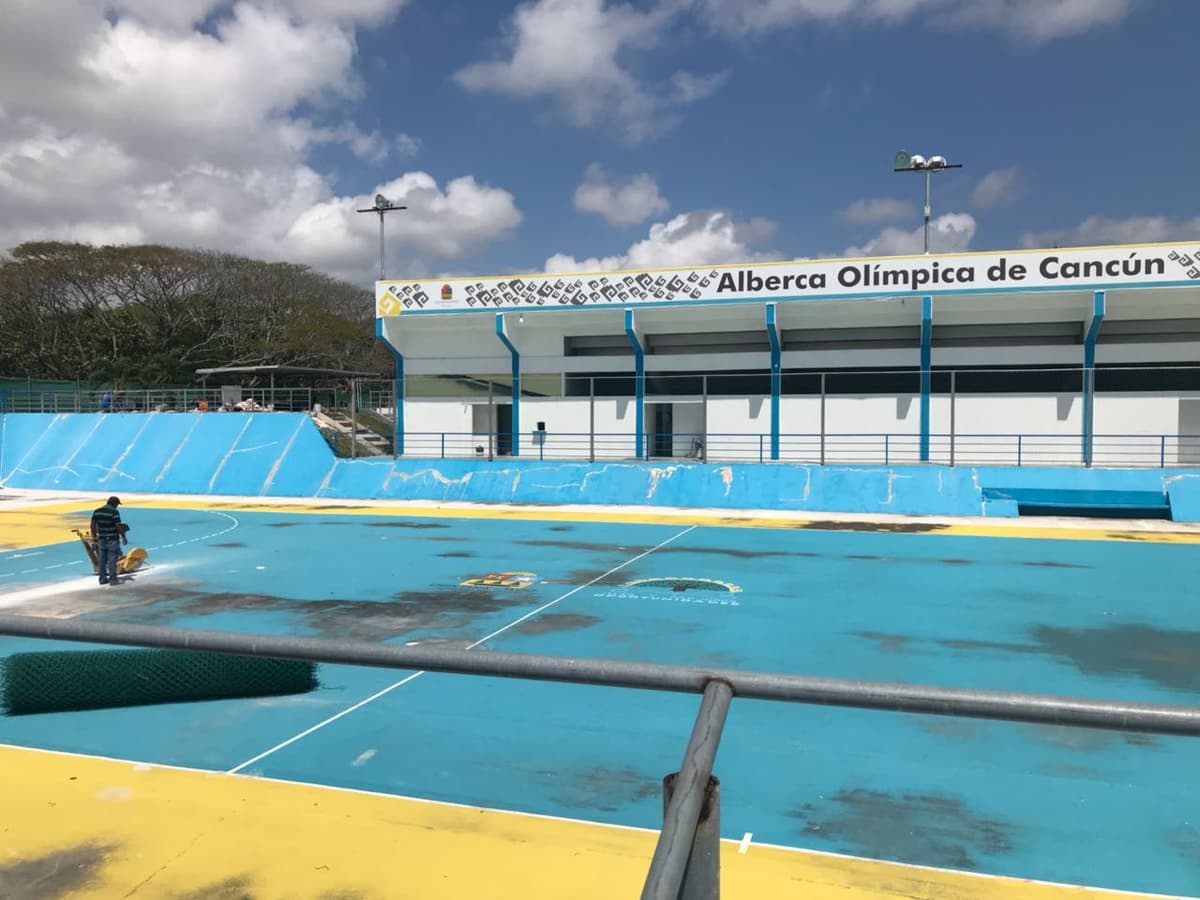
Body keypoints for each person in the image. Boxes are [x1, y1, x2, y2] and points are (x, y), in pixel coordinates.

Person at [90, 496, 126, 585]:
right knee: (112, 559)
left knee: (102, 559)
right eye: (117, 504)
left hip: (102, 538)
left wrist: (94, 538)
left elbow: (92, 526)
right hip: (112, 538)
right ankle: (113, 579)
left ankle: (102, 579)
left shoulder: (97, 511)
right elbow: (118, 526)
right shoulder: (114, 512)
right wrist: (123, 537)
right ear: (115, 504)